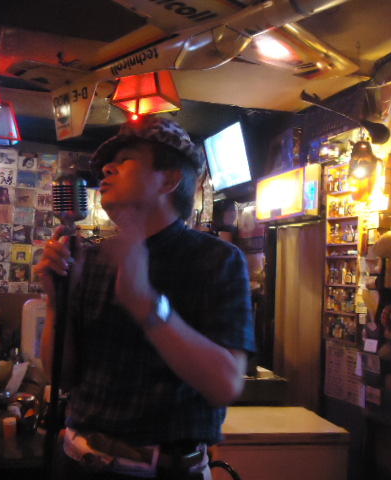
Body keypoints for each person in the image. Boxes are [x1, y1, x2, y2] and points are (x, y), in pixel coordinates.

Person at [34, 117, 255, 480]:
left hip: (166, 471)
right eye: (109, 163)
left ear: (169, 180)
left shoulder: (216, 259)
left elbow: (226, 384)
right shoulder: (94, 257)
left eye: (126, 160)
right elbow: (63, 375)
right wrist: (57, 302)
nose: (107, 169)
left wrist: (146, 303)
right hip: (77, 462)